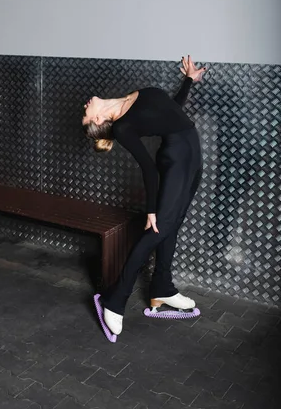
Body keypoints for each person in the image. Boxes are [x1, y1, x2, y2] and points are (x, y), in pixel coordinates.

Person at [82, 56, 207, 338]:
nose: (85, 107)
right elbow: (148, 168)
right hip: (176, 159)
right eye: (86, 114)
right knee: (157, 228)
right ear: (99, 120)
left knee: (171, 225)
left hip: (192, 156)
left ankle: (162, 287)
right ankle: (114, 300)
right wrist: (151, 210)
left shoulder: (131, 98)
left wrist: (189, 80)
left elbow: (171, 111)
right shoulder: (123, 127)